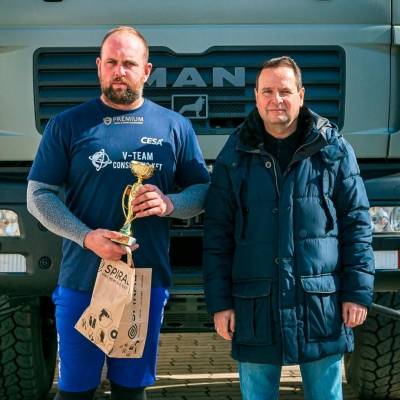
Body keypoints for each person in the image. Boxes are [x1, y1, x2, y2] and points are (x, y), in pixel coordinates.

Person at [27, 26, 209, 400]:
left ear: (146, 70)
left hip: (143, 282)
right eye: (111, 62)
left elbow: (204, 191)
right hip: (82, 281)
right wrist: (86, 237)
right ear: (99, 67)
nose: (119, 71)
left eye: (129, 63)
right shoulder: (68, 124)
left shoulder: (175, 126)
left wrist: (170, 204)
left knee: (130, 391)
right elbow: (38, 195)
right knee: (75, 391)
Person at [202, 56, 374, 400]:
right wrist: (220, 304)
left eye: (284, 91)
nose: (276, 99)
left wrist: (357, 293)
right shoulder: (234, 154)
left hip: (321, 306)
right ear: (256, 96)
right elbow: (217, 236)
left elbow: (357, 226)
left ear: (301, 95)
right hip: (255, 308)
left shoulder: (332, 149)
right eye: (267, 91)